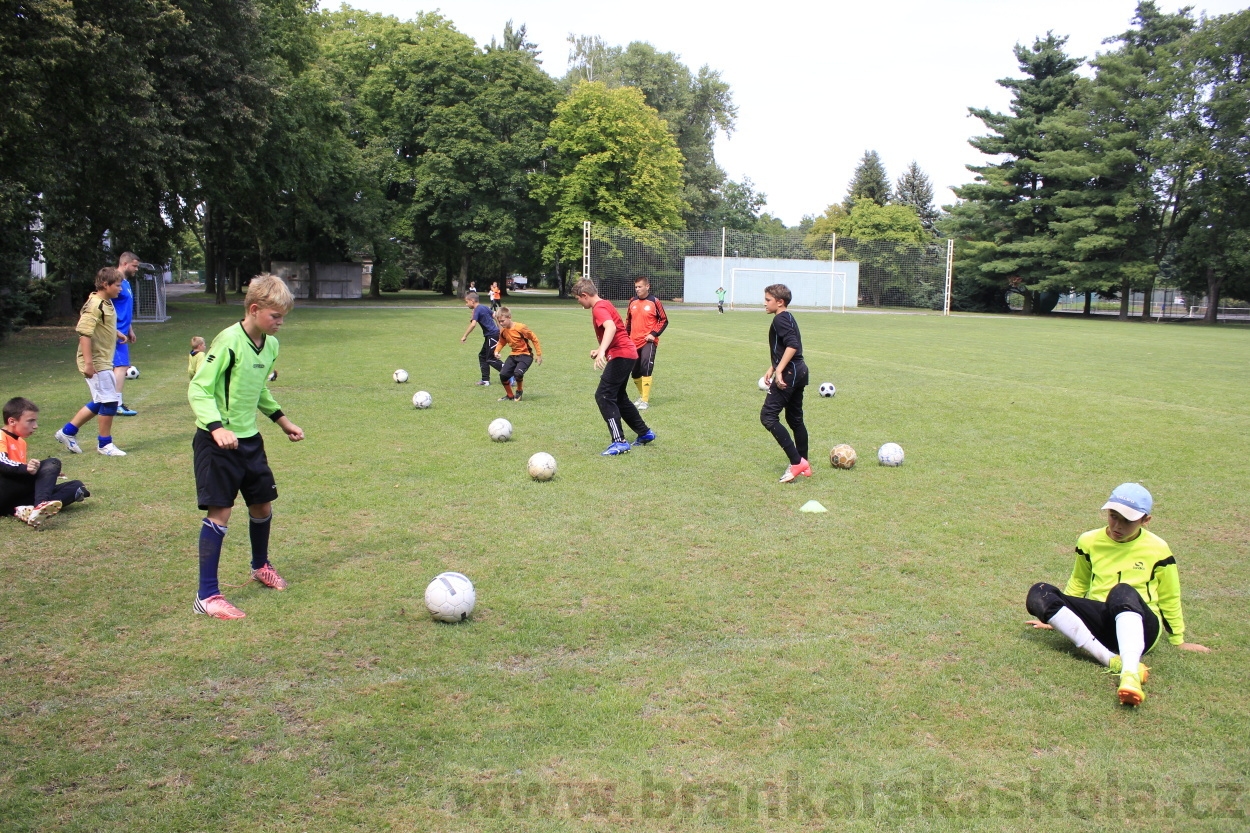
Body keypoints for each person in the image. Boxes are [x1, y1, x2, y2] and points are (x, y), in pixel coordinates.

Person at [1026, 483, 1209, 706]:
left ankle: (1130, 675)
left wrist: (1177, 639)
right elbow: (1079, 582)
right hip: (1101, 626)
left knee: (1122, 591)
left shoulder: (1158, 549)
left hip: (1142, 629)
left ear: (1146, 520)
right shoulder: (1088, 541)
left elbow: (1169, 596)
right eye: (1113, 516)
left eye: (1127, 521)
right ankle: (1111, 660)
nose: (1117, 526)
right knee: (1039, 592)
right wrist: (1059, 619)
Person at [188, 274, 305, 620]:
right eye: (275, 316)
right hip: (217, 442)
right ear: (254, 310)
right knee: (220, 513)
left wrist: (282, 421)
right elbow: (199, 388)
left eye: (283, 317)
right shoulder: (228, 341)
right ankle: (207, 596)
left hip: (250, 440)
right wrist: (217, 427)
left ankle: (260, 566)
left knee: (262, 504)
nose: (280, 322)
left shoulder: (271, 345)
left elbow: (258, 389)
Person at [572, 279, 654, 455]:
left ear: (584, 295)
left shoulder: (598, 308)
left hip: (621, 355)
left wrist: (602, 351)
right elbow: (617, 330)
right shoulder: (605, 303)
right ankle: (644, 433)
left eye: (578, 299)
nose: (578, 302)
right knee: (619, 397)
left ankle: (619, 442)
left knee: (603, 395)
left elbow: (610, 327)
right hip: (627, 353)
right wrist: (600, 349)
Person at [55, 267, 127, 457]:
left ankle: (67, 432)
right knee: (110, 401)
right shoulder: (94, 304)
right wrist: (88, 364)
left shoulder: (106, 302)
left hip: (103, 359)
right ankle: (105, 444)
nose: (120, 289)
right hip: (96, 361)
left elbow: (101, 325)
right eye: (117, 285)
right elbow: (84, 334)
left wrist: (116, 333)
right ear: (105, 284)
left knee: (100, 401)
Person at [2, 397, 89, 528]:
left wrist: (46, 474)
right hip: (3, 492)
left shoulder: (21, 442)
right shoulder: (1, 436)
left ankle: (25, 510)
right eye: (30, 421)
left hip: (14, 497)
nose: (35, 426)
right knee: (52, 463)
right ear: (12, 421)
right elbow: (2, 463)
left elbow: (19, 473)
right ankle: (40, 505)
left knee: (77, 486)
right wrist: (30, 469)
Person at [761, 284, 810, 482]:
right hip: (800, 370)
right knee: (794, 419)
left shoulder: (780, 319)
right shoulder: (787, 317)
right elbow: (784, 347)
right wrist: (773, 367)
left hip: (790, 372)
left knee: (768, 416)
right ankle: (804, 464)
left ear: (780, 302)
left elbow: (792, 345)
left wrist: (779, 370)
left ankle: (797, 462)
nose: (764, 303)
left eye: (768, 300)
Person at [626, 277, 668, 412]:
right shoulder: (632, 301)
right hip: (633, 342)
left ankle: (645, 400)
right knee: (635, 373)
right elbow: (628, 321)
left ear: (647, 286)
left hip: (648, 341)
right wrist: (626, 338)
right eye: (636, 287)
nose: (637, 289)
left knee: (646, 368)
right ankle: (641, 396)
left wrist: (653, 334)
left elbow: (664, 320)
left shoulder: (654, 301)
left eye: (640, 287)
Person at [112, 252, 141, 416]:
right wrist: (114, 330)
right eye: (134, 266)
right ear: (124, 264)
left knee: (119, 366)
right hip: (114, 333)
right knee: (121, 366)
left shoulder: (126, 283)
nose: (136, 269)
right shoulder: (114, 282)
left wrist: (129, 329)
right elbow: (106, 306)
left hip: (123, 331)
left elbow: (125, 307)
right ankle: (116, 404)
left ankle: (113, 402)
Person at [492, 306, 542, 401]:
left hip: (526, 355)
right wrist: (496, 351)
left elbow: (534, 338)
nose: (501, 323)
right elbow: (502, 341)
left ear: (509, 317)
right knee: (503, 375)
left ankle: (519, 391)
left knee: (517, 373)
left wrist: (538, 354)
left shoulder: (520, 327)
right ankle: (510, 395)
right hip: (513, 355)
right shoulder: (503, 330)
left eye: (502, 321)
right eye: (499, 321)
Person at [460, 291, 503, 386]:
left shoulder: (477, 309)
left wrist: (464, 336)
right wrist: (499, 329)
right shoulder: (484, 307)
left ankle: (510, 373)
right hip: (491, 335)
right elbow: (495, 316)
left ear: (472, 301)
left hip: (492, 335)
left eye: (467, 302)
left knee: (490, 358)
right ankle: (485, 380)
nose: (466, 304)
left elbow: (473, 324)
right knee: (482, 356)